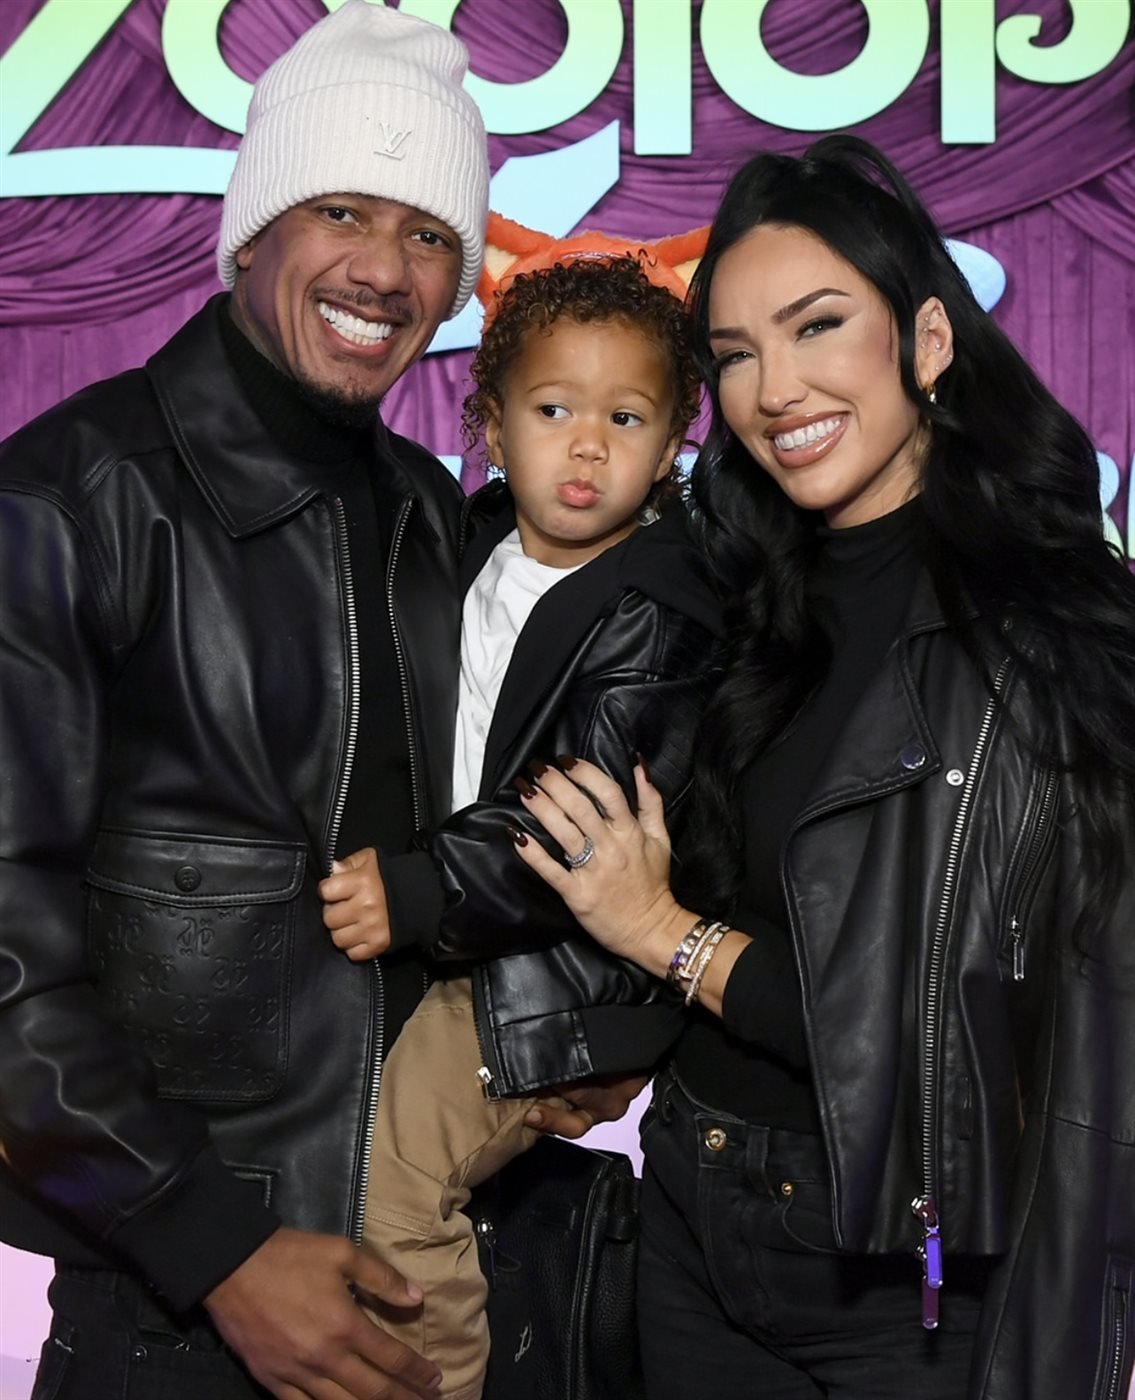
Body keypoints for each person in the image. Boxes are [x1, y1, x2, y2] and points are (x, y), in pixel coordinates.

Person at [0, 6, 626, 1398]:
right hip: (179, 1325)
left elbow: (463, 859)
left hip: (431, 1286)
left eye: (429, 234)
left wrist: (566, 1029)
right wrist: (214, 1248)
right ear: (251, 233)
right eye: (342, 209)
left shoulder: (428, 514)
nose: (384, 270)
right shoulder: (66, 503)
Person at [508, 136, 1135, 1400]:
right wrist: (620, 1032)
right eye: (735, 354)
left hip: (905, 1269)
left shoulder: (1048, 635)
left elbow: (937, 1032)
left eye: (816, 326)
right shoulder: (735, 593)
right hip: (690, 1211)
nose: (774, 388)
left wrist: (663, 936)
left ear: (928, 340)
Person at [318, 254, 723, 1399]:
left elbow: (578, 816)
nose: (585, 447)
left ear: (673, 440)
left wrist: (421, 887)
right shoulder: (461, 545)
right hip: (449, 942)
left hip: (546, 966)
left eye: (624, 419)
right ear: (491, 423)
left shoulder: (661, 607)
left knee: (390, 1189)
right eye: (552, 411)